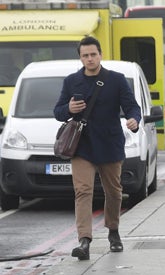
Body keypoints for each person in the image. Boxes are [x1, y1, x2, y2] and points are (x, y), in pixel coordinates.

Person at [53, 36, 141, 260]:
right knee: (83, 191)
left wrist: (134, 120)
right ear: (80, 58)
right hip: (82, 146)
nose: (90, 59)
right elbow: (58, 111)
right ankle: (84, 241)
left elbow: (132, 106)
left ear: (100, 54)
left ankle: (113, 231)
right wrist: (69, 108)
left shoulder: (116, 80)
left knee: (113, 192)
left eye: (93, 54)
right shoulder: (71, 81)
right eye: (85, 55)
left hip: (110, 144)